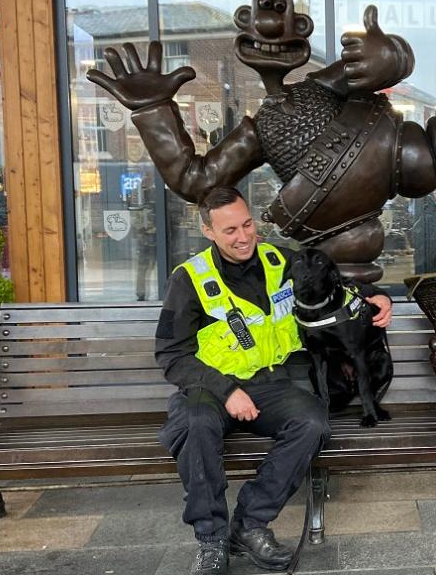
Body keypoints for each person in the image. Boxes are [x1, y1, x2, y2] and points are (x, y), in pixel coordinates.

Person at [155, 185, 392, 575]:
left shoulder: (276, 258)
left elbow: (328, 278)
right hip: (210, 388)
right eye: (230, 230)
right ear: (208, 232)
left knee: (313, 423)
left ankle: (249, 526)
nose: (244, 236)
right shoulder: (190, 279)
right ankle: (212, 540)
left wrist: (374, 295)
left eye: (247, 224)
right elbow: (171, 354)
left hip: (270, 386)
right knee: (193, 424)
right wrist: (226, 390)